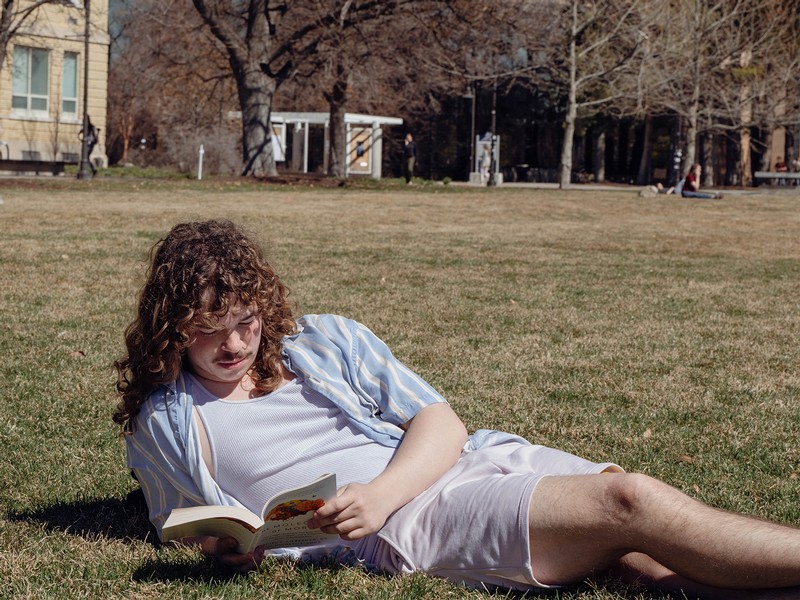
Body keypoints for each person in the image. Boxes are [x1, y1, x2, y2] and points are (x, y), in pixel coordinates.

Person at [115, 219, 800, 599]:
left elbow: (439, 421)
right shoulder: (168, 421)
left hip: (462, 463)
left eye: (245, 321)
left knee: (636, 563)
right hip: (413, 524)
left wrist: (381, 490)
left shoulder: (322, 339)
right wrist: (228, 549)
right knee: (626, 504)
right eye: (208, 328)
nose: (232, 344)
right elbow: (188, 525)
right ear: (173, 324)